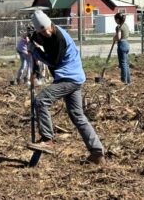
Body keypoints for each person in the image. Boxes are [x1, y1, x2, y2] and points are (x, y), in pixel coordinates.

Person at [27, 10, 105, 165]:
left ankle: (48, 139)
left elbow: (53, 62)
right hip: (74, 77)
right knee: (78, 116)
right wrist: (32, 38)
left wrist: (35, 51)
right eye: (42, 30)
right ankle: (97, 153)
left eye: (47, 28)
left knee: (41, 101)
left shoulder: (59, 38)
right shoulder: (44, 34)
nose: (46, 32)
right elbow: (40, 39)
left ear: (51, 24)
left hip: (68, 78)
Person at [114, 13, 131, 85]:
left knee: (123, 64)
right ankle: (128, 80)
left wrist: (115, 38)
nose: (115, 21)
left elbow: (119, 37)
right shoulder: (125, 25)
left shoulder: (119, 27)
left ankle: (124, 81)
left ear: (118, 19)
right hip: (127, 44)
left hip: (122, 45)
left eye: (115, 19)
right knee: (126, 64)